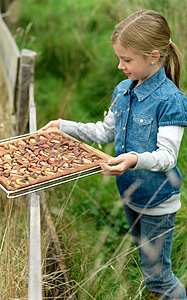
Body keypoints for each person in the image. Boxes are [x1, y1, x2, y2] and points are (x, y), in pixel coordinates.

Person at [41, 10, 187, 299]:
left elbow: (167, 156)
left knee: (160, 279)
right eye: (119, 58)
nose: (120, 66)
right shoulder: (122, 90)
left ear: (154, 56)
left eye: (127, 59)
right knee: (148, 266)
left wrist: (134, 158)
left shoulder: (172, 101)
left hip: (157, 201)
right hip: (130, 194)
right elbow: (105, 132)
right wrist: (63, 126)